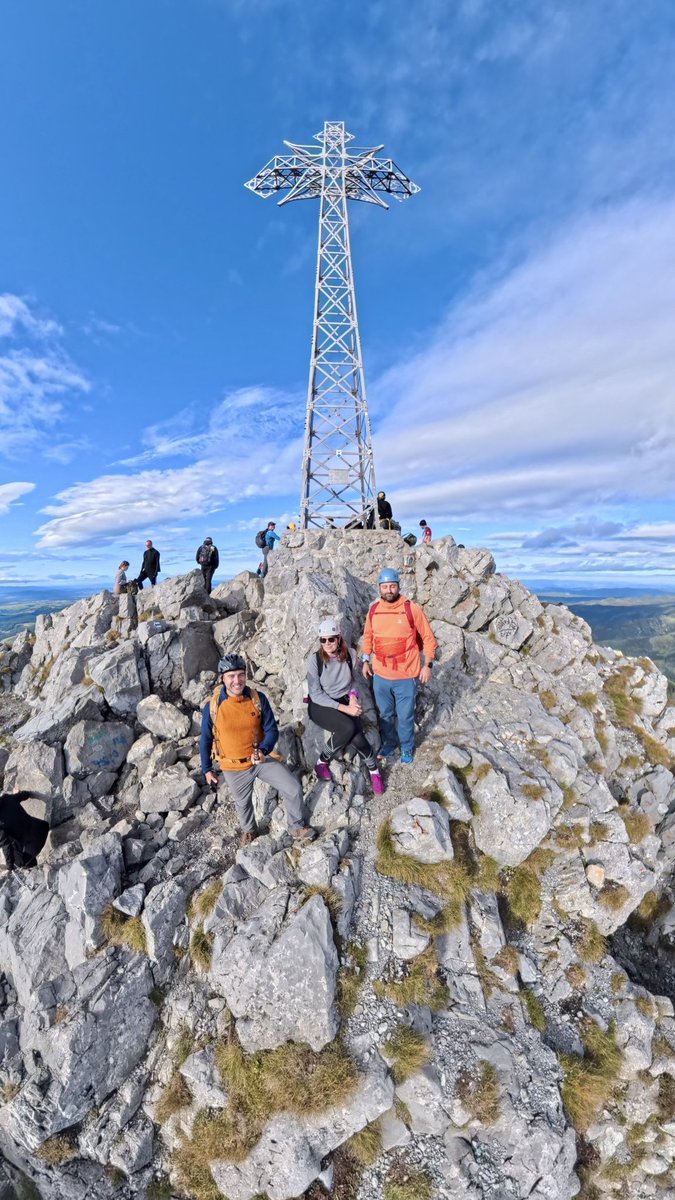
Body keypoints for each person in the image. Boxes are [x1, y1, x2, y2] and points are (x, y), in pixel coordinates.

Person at [201, 654, 314, 846]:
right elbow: (205, 738)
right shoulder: (213, 707)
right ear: (222, 678)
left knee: (293, 788)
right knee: (243, 804)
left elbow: (271, 730)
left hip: (260, 759)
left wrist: (263, 749)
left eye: (241, 675)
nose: (237, 681)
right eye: (231, 676)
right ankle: (249, 831)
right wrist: (207, 769)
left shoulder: (257, 699)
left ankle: (295, 826)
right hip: (233, 767)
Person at [362, 567, 437, 765]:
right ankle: (388, 743)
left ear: (398, 587)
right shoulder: (374, 610)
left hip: (405, 675)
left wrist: (427, 665)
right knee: (385, 714)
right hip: (380, 674)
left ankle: (406, 747)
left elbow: (429, 638)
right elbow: (368, 636)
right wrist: (365, 659)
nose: (389, 590)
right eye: (385, 586)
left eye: (392, 586)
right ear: (379, 588)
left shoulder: (411, 609)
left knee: (405, 716)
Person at [307, 619, 385, 794]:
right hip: (320, 705)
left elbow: (352, 681)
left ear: (339, 638)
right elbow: (315, 694)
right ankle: (322, 762)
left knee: (358, 738)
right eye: (323, 640)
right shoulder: (315, 660)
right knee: (348, 727)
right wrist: (346, 709)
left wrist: (353, 698)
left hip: (343, 700)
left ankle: (374, 771)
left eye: (331, 639)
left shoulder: (350, 654)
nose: (327, 643)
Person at [0, 792, 49, 871]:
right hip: (42, 828)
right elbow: (25, 794)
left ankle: (30, 869)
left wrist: (9, 868)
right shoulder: (7, 798)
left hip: (33, 845)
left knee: (18, 863)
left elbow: (6, 846)